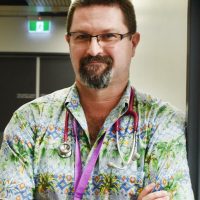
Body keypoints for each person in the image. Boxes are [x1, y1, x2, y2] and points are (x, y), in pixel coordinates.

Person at [0, 0, 194, 199]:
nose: (93, 50)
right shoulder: (29, 122)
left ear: (133, 43)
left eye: (109, 36)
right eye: (82, 36)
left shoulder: (163, 122)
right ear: (69, 42)